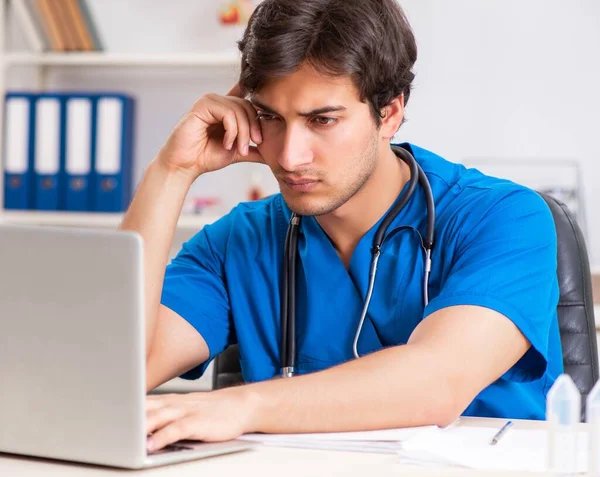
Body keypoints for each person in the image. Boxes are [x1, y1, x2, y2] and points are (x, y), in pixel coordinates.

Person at [120, 0, 562, 452]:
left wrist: (242, 406)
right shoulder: (238, 242)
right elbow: (116, 370)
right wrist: (171, 170)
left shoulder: (505, 218)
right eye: (271, 118)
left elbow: (438, 382)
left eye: (322, 120)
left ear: (388, 113)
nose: (289, 157)